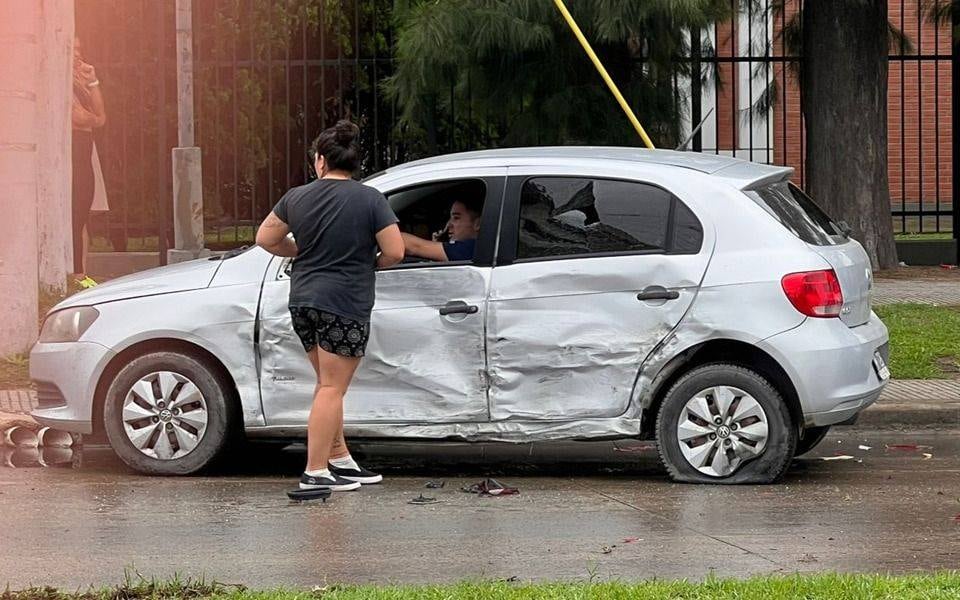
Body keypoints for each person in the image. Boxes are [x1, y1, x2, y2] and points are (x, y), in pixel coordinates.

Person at [256, 120, 404, 493]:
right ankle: (315, 471)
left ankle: (340, 460)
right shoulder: (370, 199)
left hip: (303, 301)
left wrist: (299, 249)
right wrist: (369, 261)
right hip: (346, 303)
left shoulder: (296, 197)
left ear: (321, 160)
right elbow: (396, 251)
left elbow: (266, 238)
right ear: (353, 164)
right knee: (331, 388)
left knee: (327, 385)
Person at [71, 37, 106, 288]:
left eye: (79, 49)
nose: (76, 54)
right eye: (70, 49)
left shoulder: (81, 82)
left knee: (82, 213)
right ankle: (75, 274)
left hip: (85, 150)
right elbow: (78, 117)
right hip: (73, 149)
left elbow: (100, 117)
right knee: (74, 212)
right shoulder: (60, 81)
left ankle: (81, 274)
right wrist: (92, 118)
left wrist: (92, 81)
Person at [400, 199, 482, 262]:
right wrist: (438, 245)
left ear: (478, 224)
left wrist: (389, 234)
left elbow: (414, 247)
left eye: (456, 218)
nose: (449, 225)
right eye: (449, 218)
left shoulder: (472, 248)